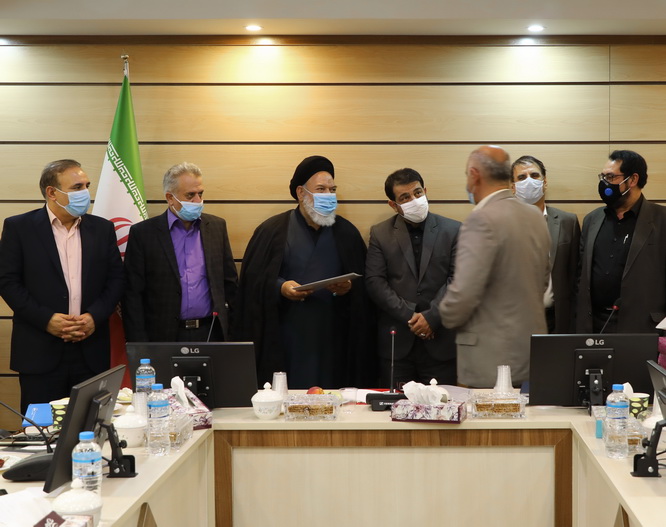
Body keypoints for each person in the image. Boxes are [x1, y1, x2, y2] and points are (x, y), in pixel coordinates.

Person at [235, 155, 375, 388]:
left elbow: (365, 286)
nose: (328, 195)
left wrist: (348, 287)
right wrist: (280, 287)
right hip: (286, 335)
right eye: (321, 189)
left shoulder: (347, 233)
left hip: (334, 336)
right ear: (301, 193)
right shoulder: (272, 231)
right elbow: (252, 283)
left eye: (332, 190)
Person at [0, 159, 124, 411]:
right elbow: (8, 282)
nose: (85, 193)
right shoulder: (19, 227)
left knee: (91, 426)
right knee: (41, 429)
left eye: (87, 185)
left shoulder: (102, 229)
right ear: (52, 192)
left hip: (91, 349)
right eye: (77, 187)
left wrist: (93, 317)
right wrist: (46, 319)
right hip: (39, 350)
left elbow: (116, 280)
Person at [438, 146, 551, 388]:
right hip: (531, 352)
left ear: (474, 174)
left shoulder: (480, 219)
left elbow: (464, 292)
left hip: (490, 359)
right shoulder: (534, 216)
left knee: (489, 415)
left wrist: (443, 314)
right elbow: (542, 283)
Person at [365, 168, 460, 387]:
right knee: (394, 407)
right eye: (405, 197)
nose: (414, 200)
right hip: (397, 343)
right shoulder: (380, 233)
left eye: (417, 193)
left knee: (443, 405)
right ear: (393, 204)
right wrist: (411, 315)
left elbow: (457, 279)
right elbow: (375, 282)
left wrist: (431, 318)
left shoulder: (454, 230)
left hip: (441, 341)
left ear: (425, 191)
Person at [123, 162, 238, 343]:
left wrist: (232, 332)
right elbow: (133, 295)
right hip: (163, 336)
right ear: (170, 198)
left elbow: (230, 284)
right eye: (190, 195)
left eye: (200, 194)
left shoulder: (217, 227)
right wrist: (139, 344)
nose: (198, 201)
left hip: (210, 332)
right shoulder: (143, 233)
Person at [576, 150, 666, 333]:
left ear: (632, 180)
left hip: (644, 327)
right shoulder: (592, 220)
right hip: (594, 325)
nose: (604, 183)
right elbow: (580, 275)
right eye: (603, 177)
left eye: (610, 177)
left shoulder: (662, 220)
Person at [511, 155, 580, 333]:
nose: (529, 181)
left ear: (545, 182)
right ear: (513, 187)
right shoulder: (498, 225)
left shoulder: (568, 222)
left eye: (534, 175)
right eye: (521, 177)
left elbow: (576, 276)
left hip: (557, 320)